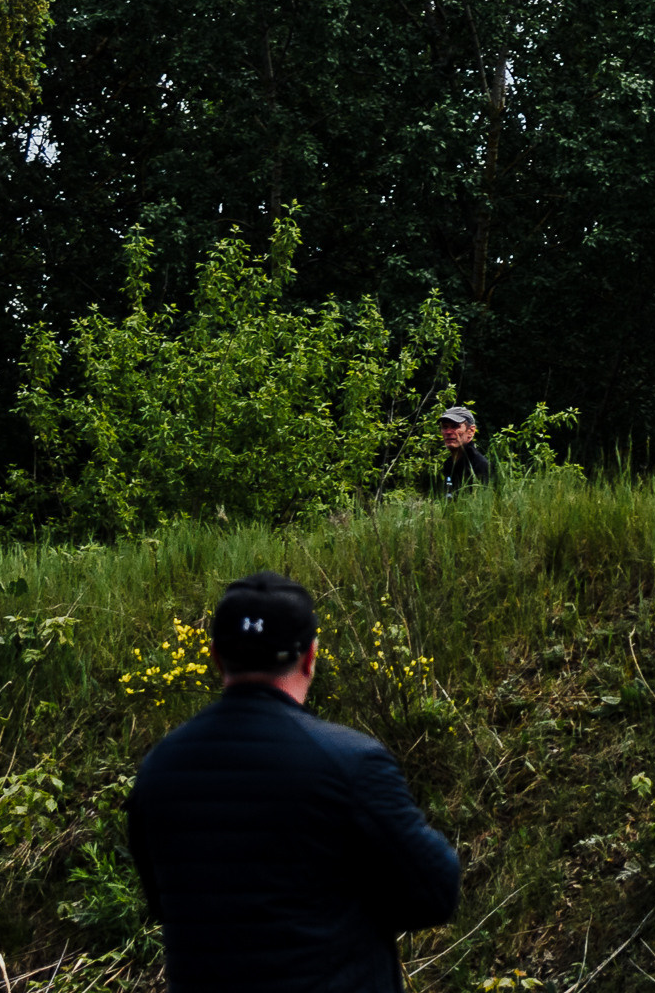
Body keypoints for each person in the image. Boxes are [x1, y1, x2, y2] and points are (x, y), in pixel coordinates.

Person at [127, 572, 459, 993]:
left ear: (215, 656)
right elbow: (436, 891)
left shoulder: (159, 767)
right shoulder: (351, 762)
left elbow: (163, 900)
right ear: (309, 656)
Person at [437, 406, 496, 492]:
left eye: (455, 426)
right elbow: (448, 498)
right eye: (445, 427)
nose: (448, 432)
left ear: (471, 431)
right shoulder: (448, 464)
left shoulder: (480, 465)